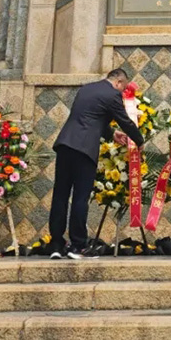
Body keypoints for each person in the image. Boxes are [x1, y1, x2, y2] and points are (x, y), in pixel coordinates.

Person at [49, 67, 144, 259]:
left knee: (60, 195)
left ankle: (56, 245)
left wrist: (111, 133)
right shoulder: (112, 95)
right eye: (123, 88)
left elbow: (90, 117)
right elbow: (125, 121)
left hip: (65, 144)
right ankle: (78, 246)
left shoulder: (86, 89)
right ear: (118, 82)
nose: (122, 91)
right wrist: (139, 141)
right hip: (84, 149)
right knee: (80, 197)